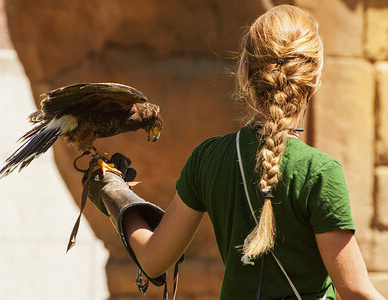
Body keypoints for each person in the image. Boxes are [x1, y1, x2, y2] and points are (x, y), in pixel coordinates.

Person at [85, 5, 385, 300]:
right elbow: (355, 290)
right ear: (315, 78)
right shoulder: (319, 171)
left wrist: (116, 194)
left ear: (244, 71)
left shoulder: (207, 158)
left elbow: (152, 259)